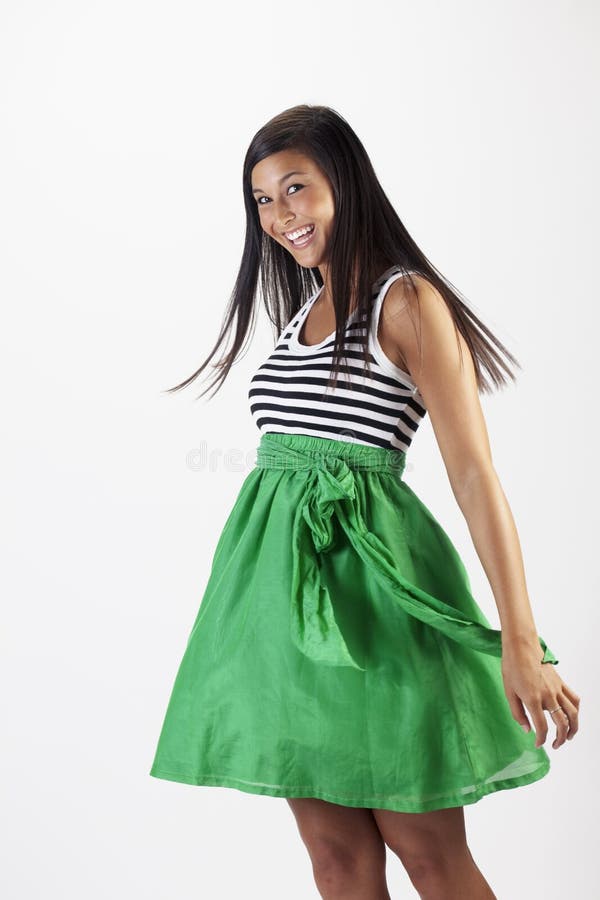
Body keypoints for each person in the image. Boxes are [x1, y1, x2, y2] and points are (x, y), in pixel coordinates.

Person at [149, 104, 580, 899]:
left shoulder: (406, 302)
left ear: (343, 183)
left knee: (429, 855)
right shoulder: (296, 318)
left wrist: (520, 638)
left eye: (297, 189)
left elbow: (476, 475)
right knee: (336, 864)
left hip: (378, 608)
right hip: (278, 610)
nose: (281, 217)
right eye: (263, 201)